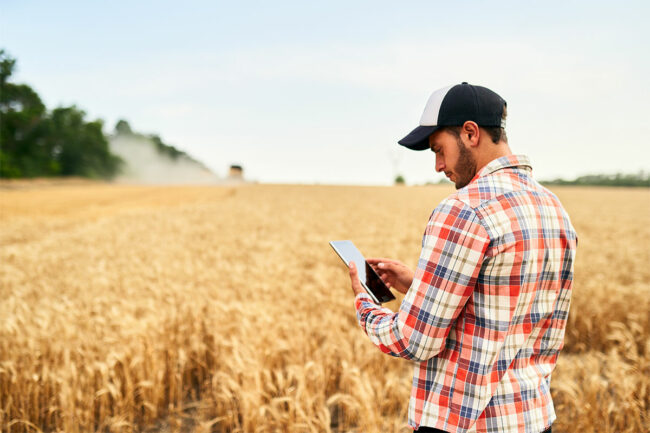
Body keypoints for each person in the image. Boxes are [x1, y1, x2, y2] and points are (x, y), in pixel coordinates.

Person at [347, 82, 577, 433]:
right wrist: (419, 287)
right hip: (533, 419)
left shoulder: (464, 208)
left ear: (470, 132)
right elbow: (509, 309)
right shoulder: (553, 209)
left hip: (467, 424)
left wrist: (365, 304)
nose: (438, 166)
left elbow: (413, 340)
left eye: (439, 149)